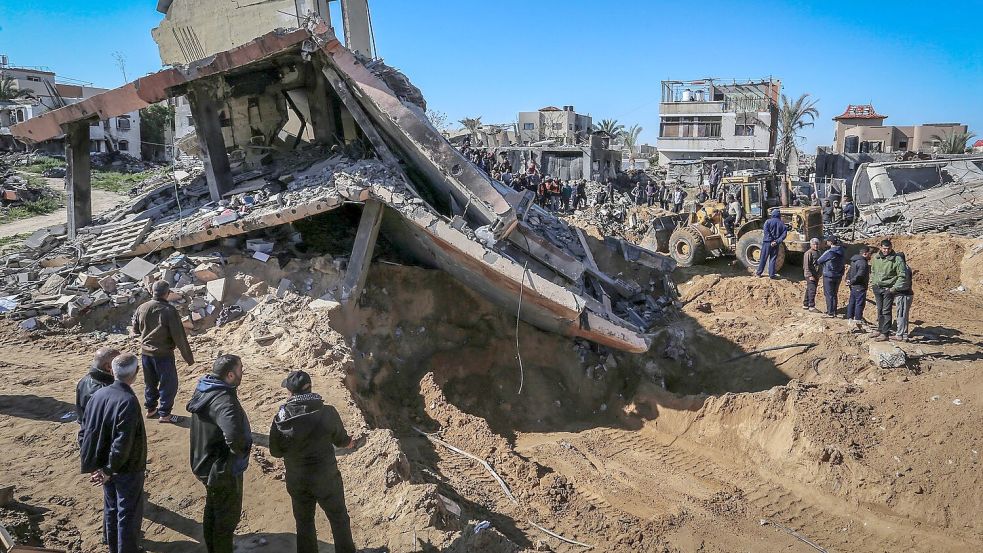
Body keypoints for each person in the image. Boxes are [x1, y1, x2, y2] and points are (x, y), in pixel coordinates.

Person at [270, 371, 357, 553]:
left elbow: (275, 451)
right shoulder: (327, 412)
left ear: (291, 392)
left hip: (297, 480)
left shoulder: (281, 418)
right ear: (309, 388)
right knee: (339, 519)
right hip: (327, 479)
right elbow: (341, 441)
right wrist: (350, 442)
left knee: (304, 523)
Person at [80, 353, 146, 553]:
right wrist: (109, 469)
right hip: (125, 467)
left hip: (104, 464)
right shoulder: (128, 401)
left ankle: (113, 546)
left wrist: (95, 466)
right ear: (134, 373)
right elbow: (122, 443)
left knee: (111, 507)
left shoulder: (99, 394)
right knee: (127, 513)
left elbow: (85, 431)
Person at [187, 355, 252, 553]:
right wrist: (240, 453)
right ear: (230, 375)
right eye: (241, 369)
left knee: (213, 509)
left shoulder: (206, 388)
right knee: (226, 518)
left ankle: (213, 547)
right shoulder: (224, 400)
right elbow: (233, 436)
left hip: (204, 461)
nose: (243, 371)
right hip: (220, 469)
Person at [133, 280, 194, 424]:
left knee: (150, 382)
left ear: (152, 292)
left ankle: (151, 409)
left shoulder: (142, 307)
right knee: (169, 384)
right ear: (167, 294)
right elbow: (179, 336)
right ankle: (165, 414)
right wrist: (188, 358)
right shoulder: (169, 310)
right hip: (163, 355)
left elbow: (135, 330)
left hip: (146, 354)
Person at [77, 347, 121, 444]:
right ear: (108, 367)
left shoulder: (83, 381)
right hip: (102, 439)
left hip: (86, 433)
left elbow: (80, 413)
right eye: (118, 364)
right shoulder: (108, 391)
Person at [869, 239, 907, 341]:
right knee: (879, 309)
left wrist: (894, 288)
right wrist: (873, 282)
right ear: (881, 247)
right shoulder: (876, 258)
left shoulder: (897, 260)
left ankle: (885, 333)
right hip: (877, 287)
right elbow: (873, 270)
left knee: (886, 311)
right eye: (884, 248)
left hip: (888, 289)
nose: (886, 250)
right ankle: (880, 329)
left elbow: (902, 276)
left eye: (888, 248)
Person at [845, 246, 875, 328]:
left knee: (852, 301)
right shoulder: (863, 263)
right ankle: (858, 319)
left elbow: (849, 272)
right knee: (859, 303)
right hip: (860, 286)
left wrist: (848, 280)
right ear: (865, 254)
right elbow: (860, 275)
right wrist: (852, 281)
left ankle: (850, 318)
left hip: (853, 286)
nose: (870, 256)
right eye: (870, 254)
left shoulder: (854, 261)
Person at [816, 236, 846, 317]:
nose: (827, 242)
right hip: (838, 275)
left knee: (829, 294)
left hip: (829, 275)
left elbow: (819, 261)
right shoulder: (842, 251)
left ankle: (830, 312)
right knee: (834, 293)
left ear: (831, 243)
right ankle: (834, 311)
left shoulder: (829, 252)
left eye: (828, 241)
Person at [756, 208, 788, 279]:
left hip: (767, 243)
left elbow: (766, 232)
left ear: (772, 215)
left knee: (763, 258)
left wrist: (770, 240)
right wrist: (776, 241)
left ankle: (759, 273)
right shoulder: (782, 224)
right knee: (773, 259)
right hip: (775, 244)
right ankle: (772, 275)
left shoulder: (768, 222)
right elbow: (784, 235)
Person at [893, 253, 914, 341]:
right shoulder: (908, 268)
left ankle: (899, 334)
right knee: (905, 315)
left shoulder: (903, 269)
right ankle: (904, 334)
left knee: (901, 314)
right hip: (908, 294)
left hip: (903, 294)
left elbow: (902, 284)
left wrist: (892, 289)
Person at [802, 238, 821, 312]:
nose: (816, 246)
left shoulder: (819, 252)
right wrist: (810, 275)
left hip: (816, 274)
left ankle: (805, 304)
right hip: (810, 275)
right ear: (811, 245)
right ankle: (811, 306)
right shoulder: (808, 253)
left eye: (817, 244)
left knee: (809, 289)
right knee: (812, 290)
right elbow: (806, 266)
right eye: (814, 244)